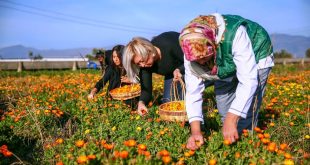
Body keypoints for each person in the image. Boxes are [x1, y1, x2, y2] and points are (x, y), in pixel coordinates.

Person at [179, 13, 274, 150]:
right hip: (223, 65)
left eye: (205, 57)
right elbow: (193, 92)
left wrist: (232, 118)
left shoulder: (235, 35)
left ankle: (245, 147)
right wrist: (196, 131)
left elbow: (248, 81)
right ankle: (231, 141)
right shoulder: (189, 47)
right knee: (225, 109)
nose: (201, 62)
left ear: (213, 44)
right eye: (197, 60)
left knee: (245, 111)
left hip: (257, 50)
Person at [122, 31, 185, 116]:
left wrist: (179, 70)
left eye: (142, 61)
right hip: (172, 74)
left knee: (187, 97)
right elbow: (146, 90)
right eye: (138, 64)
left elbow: (192, 60)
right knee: (168, 104)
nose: (142, 65)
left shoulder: (168, 44)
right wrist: (141, 103)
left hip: (196, 64)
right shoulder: (144, 67)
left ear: (148, 50)